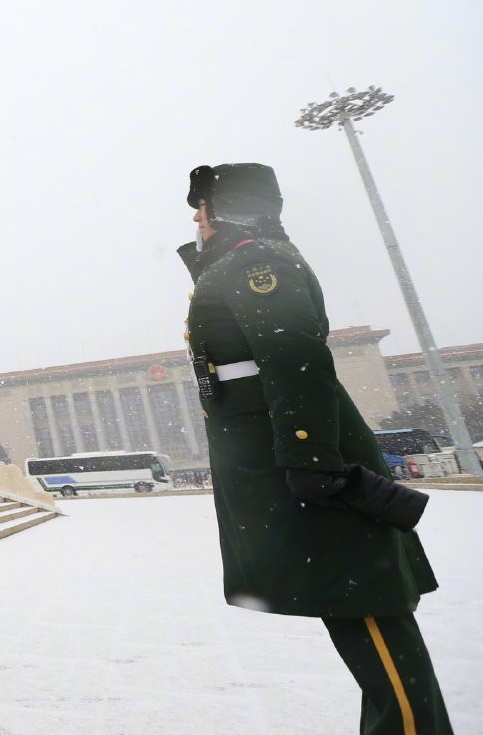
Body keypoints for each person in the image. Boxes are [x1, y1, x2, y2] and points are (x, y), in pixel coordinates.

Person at [179, 163, 452, 734]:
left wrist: (310, 460)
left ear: (226, 209)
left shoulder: (257, 262)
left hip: (309, 463)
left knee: (370, 615)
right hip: (292, 457)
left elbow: (292, 357)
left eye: (202, 207)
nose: (196, 219)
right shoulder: (244, 260)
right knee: (359, 616)